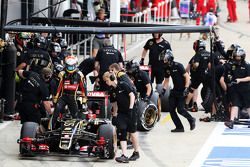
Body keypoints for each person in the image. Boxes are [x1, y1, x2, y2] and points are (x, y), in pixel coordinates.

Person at [103, 71, 140, 163]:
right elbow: (115, 104)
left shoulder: (123, 85)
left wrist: (131, 109)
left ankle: (136, 152)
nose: (106, 83)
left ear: (112, 79)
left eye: (107, 81)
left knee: (132, 133)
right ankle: (124, 155)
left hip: (131, 111)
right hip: (122, 113)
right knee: (122, 132)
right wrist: (115, 115)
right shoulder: (112, 91)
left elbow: (132, 95)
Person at [160, 49, 196, 132]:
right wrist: (163, 90)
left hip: (182, 90)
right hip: (174, 91)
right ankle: (179, 127)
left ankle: (191, 119)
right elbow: (166, 80)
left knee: (180, 109)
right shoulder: (167, 68)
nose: (163, 61)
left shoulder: (178, 65)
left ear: (169, 58)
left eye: (164, 60)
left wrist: (186, 88)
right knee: (171, 110)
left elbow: (187, 77)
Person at [52, 55, 87, 129]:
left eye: (72, 66)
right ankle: (51, 128)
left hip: (73, 97)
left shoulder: (80, 74)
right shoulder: (62, 73)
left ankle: (76, 130)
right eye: (68, 66)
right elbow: (59, 87)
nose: (70, 68)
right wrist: (56, 97)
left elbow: (83, 88)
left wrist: (84, 98)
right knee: (56, 111)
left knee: (75, 115)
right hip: (63, 96)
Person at [222, 47, 250, 129]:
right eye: (235, 56)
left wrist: (240, 80)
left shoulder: (247, 65)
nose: (236, 58)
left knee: (248, 105)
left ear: (242, 56)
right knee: (235, 104)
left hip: (246, 89)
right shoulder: (232, 65)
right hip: (235, 89)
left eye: (238, 56)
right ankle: (231, 121)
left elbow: (249, 77)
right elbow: (228, 72)